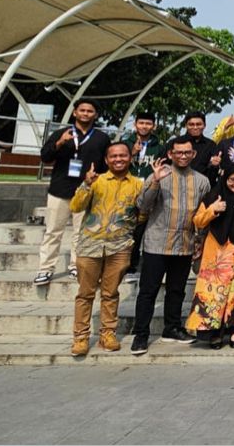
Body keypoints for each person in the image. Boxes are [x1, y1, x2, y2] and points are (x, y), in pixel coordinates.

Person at [131, 136, 212, 355]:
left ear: (194, 154)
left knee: (176, 290)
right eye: (178, 152)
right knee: (148, 291)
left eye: (187, 152)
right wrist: (155, 182)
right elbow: (142, 205)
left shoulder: (202, 181)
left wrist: (200, 240)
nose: (183, 156)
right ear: (170, 154)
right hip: (157, 243)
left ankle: (172, 328)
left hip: (185, 243)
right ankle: (141, 334)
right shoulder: (158, 175)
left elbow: (202, 215)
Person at [68, 142, 143, 356]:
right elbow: (76, 206)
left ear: (130, 158)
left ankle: (108, 334)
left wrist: (125, 228)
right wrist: (86, 185)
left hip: (119, 246)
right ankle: (80, 338)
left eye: (123, 155)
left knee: (111, 293)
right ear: (107, 160)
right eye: (114, 156)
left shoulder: (137, 185)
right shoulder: (96, 181)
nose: (118, 159)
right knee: (85, 293)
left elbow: (142, 213)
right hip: (90, 245)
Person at [185, 163, 234, 349]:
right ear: (225, 179)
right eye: (232, 180)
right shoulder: (213, 196)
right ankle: (214, 333)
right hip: (217, 253)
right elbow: (198, 221)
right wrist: (213, 210)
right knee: (214, 294)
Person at [34, 98, 110, 286]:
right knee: (53, 231)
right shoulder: (61, 133)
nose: (85, 114)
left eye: (90, 111)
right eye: (82, 110)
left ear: (95, 115)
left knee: (81, 233)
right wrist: (60, 143)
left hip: (86, 191)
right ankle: (45, 268)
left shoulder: (101, 138)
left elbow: (105, 165)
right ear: (75, 112)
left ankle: (76, 265)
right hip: (60, 190)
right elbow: (45, 156)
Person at [121, 112, 162, 283]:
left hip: (149, 192)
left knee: (144, 230)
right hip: (127, 191)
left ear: (153, 126)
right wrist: (132, 153)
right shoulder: (125, 143)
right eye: (141, 123)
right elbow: (117, 163)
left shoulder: (158, 147)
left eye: (148, 123)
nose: (144, 126)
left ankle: (141, 265)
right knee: (128, 230)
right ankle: (127, 264)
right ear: (135, 124)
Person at [182, 111, 217, 176]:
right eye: (191, 124)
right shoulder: (175, 143)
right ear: (186, 125)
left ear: (204, 125)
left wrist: (215, 165)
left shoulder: (211, 145)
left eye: (198, 124)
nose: (195, 127)